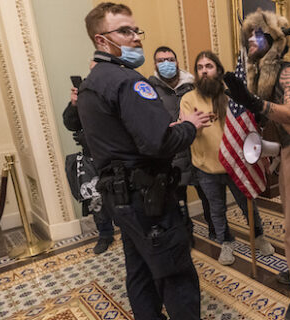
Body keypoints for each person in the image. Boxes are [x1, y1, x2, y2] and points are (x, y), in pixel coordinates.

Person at [77, 3, 211, 319]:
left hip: (119, 196)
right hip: (147, 197)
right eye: (124, 31)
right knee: (175, 275)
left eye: (136, 30)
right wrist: (190, 126)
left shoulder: (89, 84)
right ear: (101, 40)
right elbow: (159, 143)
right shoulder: (128, 81)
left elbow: (125, 137)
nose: (136, 37)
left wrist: (163, 131)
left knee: (138, 268)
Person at [223, 9, 290, 320]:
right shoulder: (265, 74)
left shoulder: (288, 72)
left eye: (258, 35)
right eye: (249, 35)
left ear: (274, 41)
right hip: (289, 149)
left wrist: (254, 103)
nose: (251, 40)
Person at [180, 51, 274, 266]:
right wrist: (194, 125)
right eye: (200, 67)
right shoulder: (188, 99)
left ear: (219, 70)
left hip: (235, 165)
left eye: (209, 66)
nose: (204, 70)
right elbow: (186, 132)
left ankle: (259, 236)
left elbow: (249, 123)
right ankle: (226, 243)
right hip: (207, 169)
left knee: (248, 204)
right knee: (216, 209)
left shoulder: (232, 96)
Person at [148, 46, 218, 241]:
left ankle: (215, 232)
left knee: (208, 198)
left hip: (197, 151)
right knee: (178, 203)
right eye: (161, 61)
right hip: (171, 157)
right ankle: (186, 238)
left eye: (170, 59)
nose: (166, 64)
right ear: (155, 65)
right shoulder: (149, 89)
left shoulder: (193, 85)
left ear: (177, 62)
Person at [63, 78, 115, 254]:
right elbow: (70, 124)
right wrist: (74, 104)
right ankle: (105, 234)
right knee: (95, 199)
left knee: (120, 196)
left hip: (111, 157)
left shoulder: (109, 97)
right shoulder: (82, 101)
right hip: (91, 160)